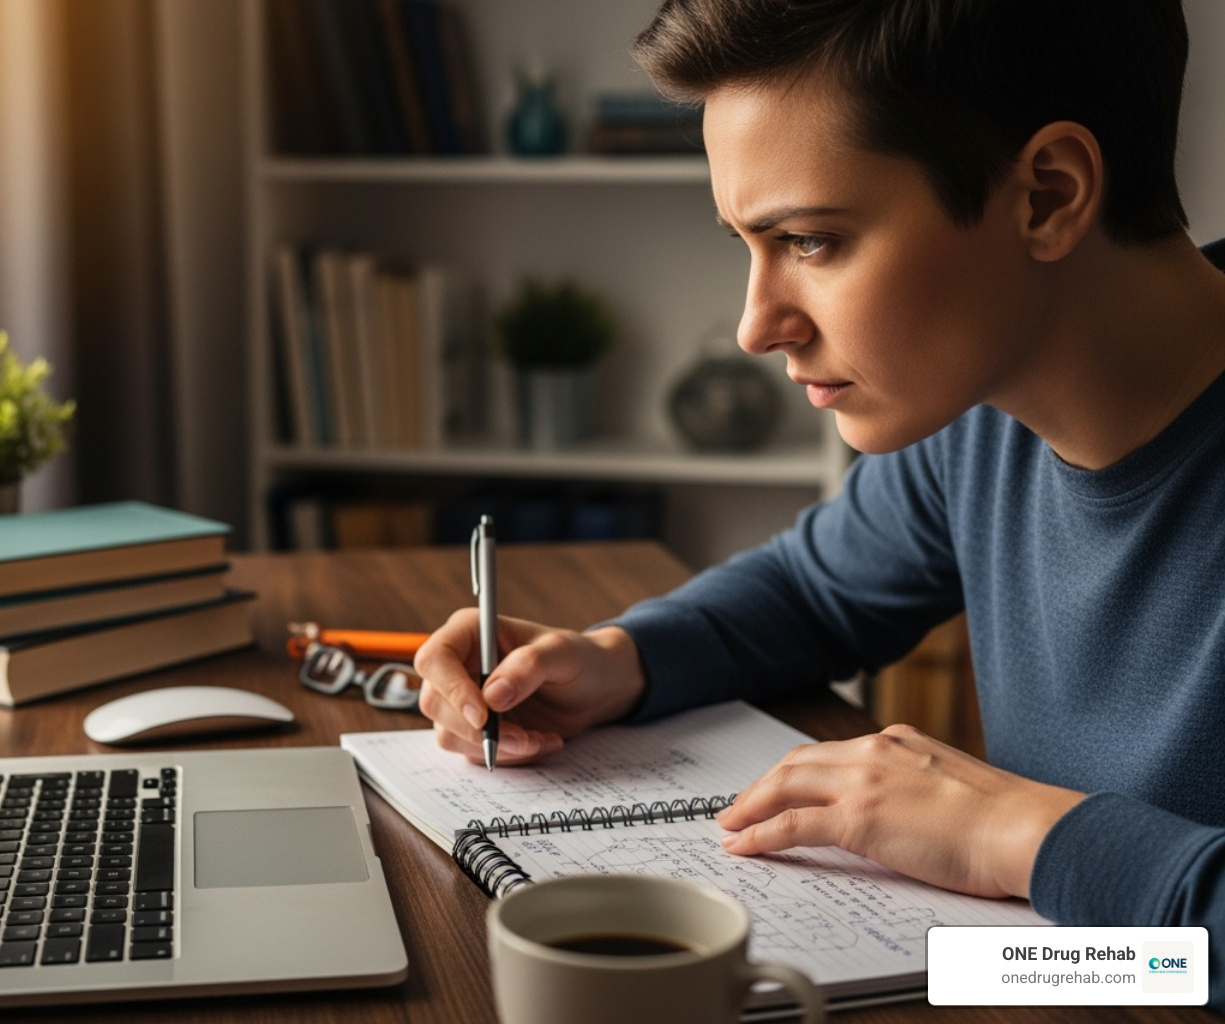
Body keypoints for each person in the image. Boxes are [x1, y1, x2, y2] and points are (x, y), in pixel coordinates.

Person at [414, 0, 1225, 1010]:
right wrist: (618, 660)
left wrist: (1017, 834)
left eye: (809, 240)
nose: (756, 326)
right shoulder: (985, 406)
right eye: (749, 243)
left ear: (1048, 196)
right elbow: (813, 588)